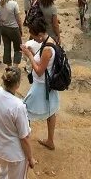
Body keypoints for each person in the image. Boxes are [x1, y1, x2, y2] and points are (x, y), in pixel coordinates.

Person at [0, 66, 35, 179]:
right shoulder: (18, 106)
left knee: (2, 172)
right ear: (18, 84)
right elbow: (24, 137)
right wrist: (30, 158)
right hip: (14, 153)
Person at [20, 16, 58, 151]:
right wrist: (32, 53)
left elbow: (40, 70)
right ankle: (50, 140)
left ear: (41, 35)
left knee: (24, 110)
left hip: (41, 85)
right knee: (51, 110)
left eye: (34, 37)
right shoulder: (50, 41)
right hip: (48, 85)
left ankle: (24, 142)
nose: (33, 39)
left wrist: (29, 55)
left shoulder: (47, 49)